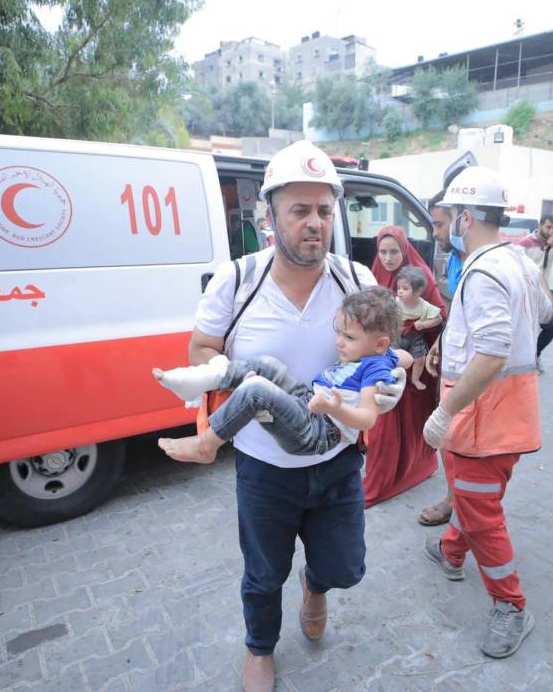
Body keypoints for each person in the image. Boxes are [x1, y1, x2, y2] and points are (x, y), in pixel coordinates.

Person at [187, 141, 405, 692]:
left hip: (336, 458)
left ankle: (317, 584)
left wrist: (391, 380)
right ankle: (260, 649)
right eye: (299, 210)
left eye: (325, 210)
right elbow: (201, 352)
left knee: (347, 567)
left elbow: (384, 351)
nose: (315, 223)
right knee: (262, 573)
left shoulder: (355, 279)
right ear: (269, 216)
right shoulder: (237, 280)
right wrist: (243, 393)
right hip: (263, 468)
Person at [420, 166, 553, 659]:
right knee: (476, 496)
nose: (449, 223)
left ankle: (511, 606)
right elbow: (543, 314)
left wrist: (444, 411)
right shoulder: (519, 261)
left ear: (467, 216)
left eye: (452, 215)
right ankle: (452, 552)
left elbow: (493, 352)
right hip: (512, 414)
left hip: (481, 415)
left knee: (481, 512)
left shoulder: (482, 270)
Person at [154, 287, 411, 461]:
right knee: (268, 365)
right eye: (339, 333)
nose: (339, 343)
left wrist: (335, 408)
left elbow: (367, 419)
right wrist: (400, 367)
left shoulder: (374, 366)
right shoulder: (379, 355)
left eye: (349, 337)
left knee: (256, 390)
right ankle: (202, 381)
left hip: (320, 431)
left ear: (380, 344)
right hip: (310, 405)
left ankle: (207, 444)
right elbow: (404, 357)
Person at [364, 226, 446, 508]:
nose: (387, 258)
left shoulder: (419, 276)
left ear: (405, 249)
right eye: (383, 251)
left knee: (406, 423)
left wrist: (416, 326)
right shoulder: (375, 273)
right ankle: (385, 476)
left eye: (394, 251)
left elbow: (440, 316)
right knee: (383, 424)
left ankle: (410, 470)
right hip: (385, 357)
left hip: (414, 364)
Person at [419, 192, 466, 527]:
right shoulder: (455, 259)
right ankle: (454, 499)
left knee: (460, 434)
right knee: (449, 437)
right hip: (452, 355)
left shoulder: (485, 264)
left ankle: (462, 506)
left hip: (473, 369)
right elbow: (457, 311)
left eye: (439, 224)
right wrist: (440, 341)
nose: (434, 234)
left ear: (463, 219)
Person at [517, 214, 553, 368]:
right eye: (548, 227)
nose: (551, 231)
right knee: (524, 328)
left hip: (546, 291)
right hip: (528, 291)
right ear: (539, 226)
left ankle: (535, 353)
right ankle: (523, 358)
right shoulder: (525, 243)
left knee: (551, 327)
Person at [394, 266, 443, 390]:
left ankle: (415, 379)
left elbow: (438, 319)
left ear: (417, 292)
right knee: (392, 357)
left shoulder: (424, 306)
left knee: (420, 359)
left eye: (405, 289)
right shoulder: (395, 302)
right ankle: (391, 377)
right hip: (397, 336)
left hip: (416, 337)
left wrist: (424, 324)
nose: (400, 291)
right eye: (398, 287)